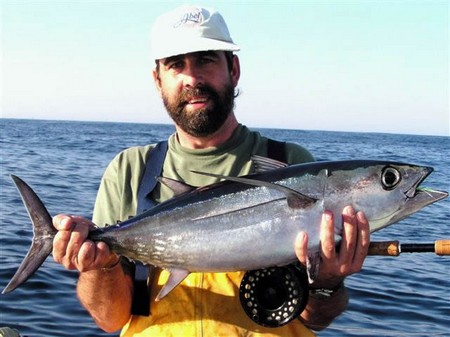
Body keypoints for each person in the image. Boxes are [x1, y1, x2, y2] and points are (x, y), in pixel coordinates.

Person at [52, 5, 370, 337]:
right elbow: (111, 320)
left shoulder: (292, 164)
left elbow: (314, 320)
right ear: (157, 79)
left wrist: (328, 282)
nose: (192, 78)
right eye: (176, 65)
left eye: (205, 59)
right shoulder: (130, 171)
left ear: (233, 69)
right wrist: (99, 267)